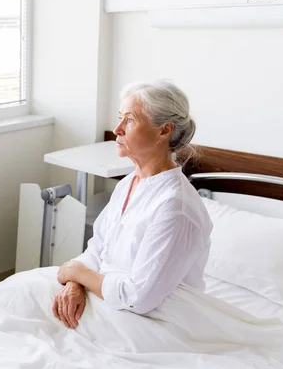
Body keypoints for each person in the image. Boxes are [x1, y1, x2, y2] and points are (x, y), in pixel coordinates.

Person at [53, 80, 213, 329]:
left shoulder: (175, 207)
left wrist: (77, 274)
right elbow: (97, 250)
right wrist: (75, 285)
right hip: (104, 295)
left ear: (164, 130)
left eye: (129, 120)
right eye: (120, 118)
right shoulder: (129, 183)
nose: (117, 129)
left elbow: (137, 298)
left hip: (153, 321)